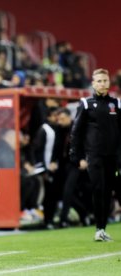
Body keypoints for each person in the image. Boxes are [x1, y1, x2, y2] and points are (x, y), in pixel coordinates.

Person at [70, 68, 121, 241]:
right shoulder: (85, 103)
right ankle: (98, 229)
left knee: (108, 192)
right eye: (99, 81)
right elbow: (76, 132)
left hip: (112, 156)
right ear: (93, 83)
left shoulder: (116, 104)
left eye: (105, 80)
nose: (102, 83)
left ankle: (102, 228)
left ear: (109, 83)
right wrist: (76, 156)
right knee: (98, 189)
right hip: (94, 155)